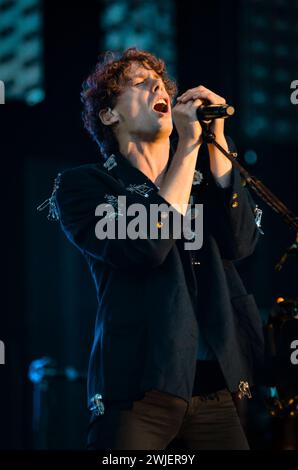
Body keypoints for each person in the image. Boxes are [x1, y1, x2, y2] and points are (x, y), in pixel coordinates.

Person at [48, 47, 264, 449]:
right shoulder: (86, 186)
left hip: (216, 391)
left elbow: (242, 242)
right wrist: (187, 148)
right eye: (137, 82)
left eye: (160, 81)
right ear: (110, 115)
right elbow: (147, 247)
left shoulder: (202, 179)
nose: (157, 86)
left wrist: (214, 140)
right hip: (138, 391)